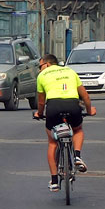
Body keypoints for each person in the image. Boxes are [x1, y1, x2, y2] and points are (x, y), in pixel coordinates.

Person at [34, 53, 97, 192]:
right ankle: (77, 156)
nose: (39, 70)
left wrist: (39, 113)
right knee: (78, 129)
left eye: (40, 66)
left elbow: (41, 101)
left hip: (53, 107)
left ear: (48, 64)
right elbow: (85, 95)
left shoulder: (42, 76)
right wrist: (89, 110)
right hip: (73, 106)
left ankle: (55, 180)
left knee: (52, 142)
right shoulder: (70, 71)